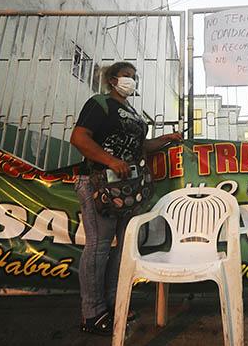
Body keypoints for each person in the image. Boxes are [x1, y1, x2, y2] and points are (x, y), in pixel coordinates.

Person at [69, 61, 182, 336]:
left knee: (123, 248)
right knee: (98, 246)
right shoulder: (100, 104)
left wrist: (166, 138)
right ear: (112, 80)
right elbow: (79, 138)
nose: (131, 81)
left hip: (127, 188)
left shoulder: (132, 112)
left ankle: (112, 303)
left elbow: (140, 146)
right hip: (98, 182)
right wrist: (110, 160)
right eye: (126, 76)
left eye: (134, 77)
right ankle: (92, 312)